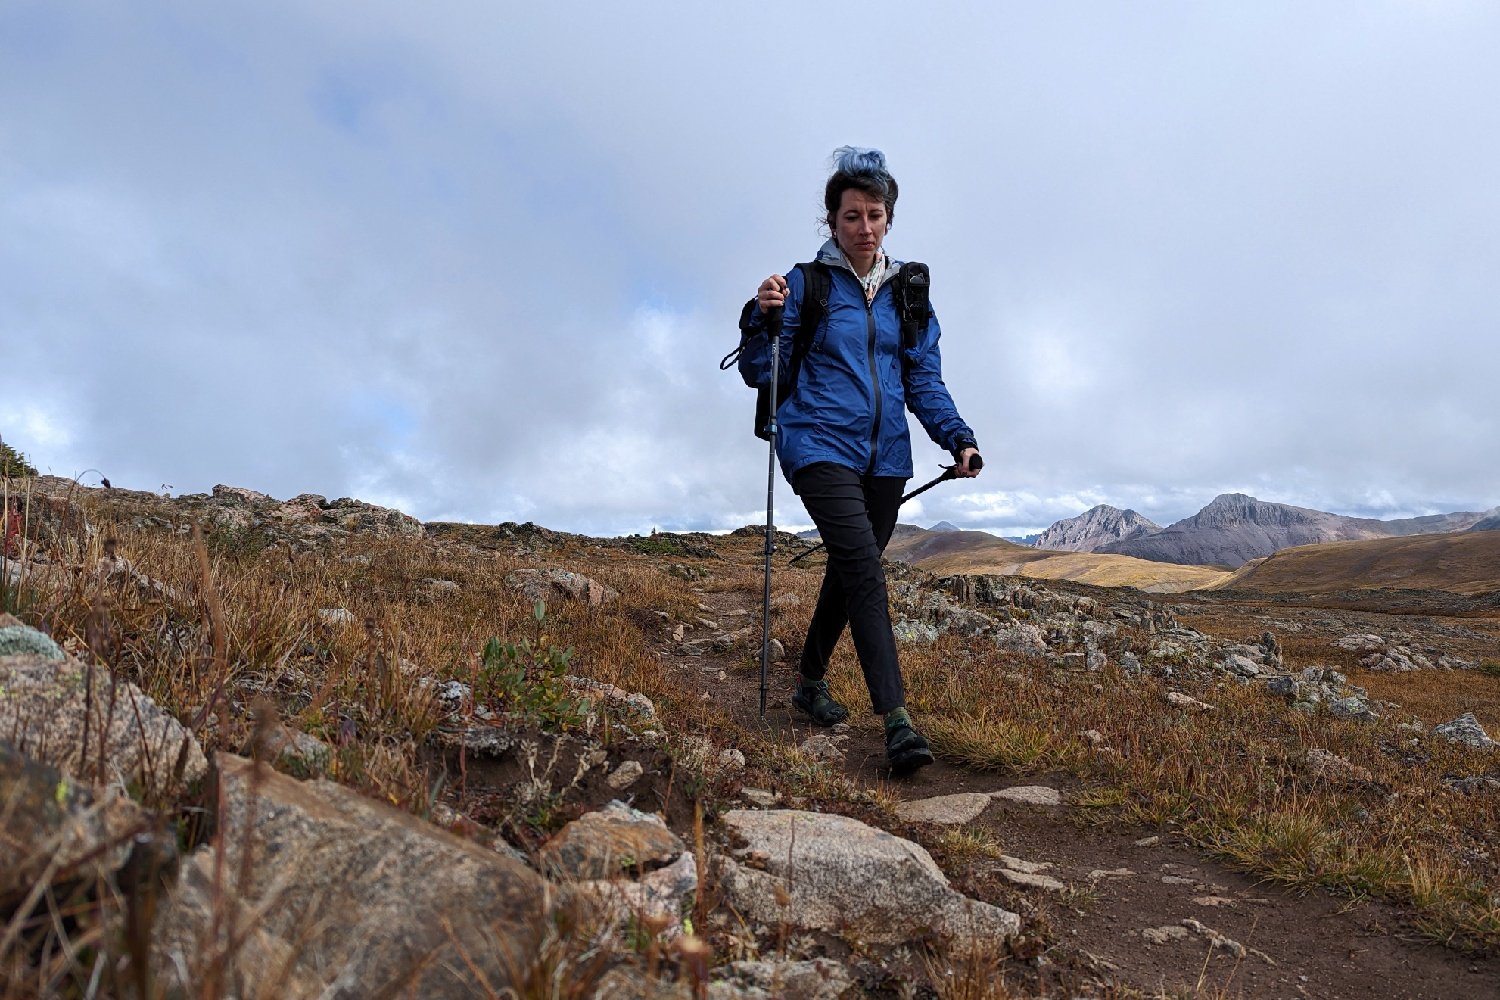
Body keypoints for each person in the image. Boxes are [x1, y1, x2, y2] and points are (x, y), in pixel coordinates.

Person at [738, 146, 981, 773]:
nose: (864, 227)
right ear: (833, 220)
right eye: (851, 216)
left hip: (885, 457)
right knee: (864, 571)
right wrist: (757, 321)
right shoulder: (803, 286)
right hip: (815, 443)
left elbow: (923, 381)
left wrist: (958, 438)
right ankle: (896, 722)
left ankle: (810, 680)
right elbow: (763, 374)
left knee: (853, 567)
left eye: (875, 214)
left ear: (889, 219)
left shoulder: (909, 296)